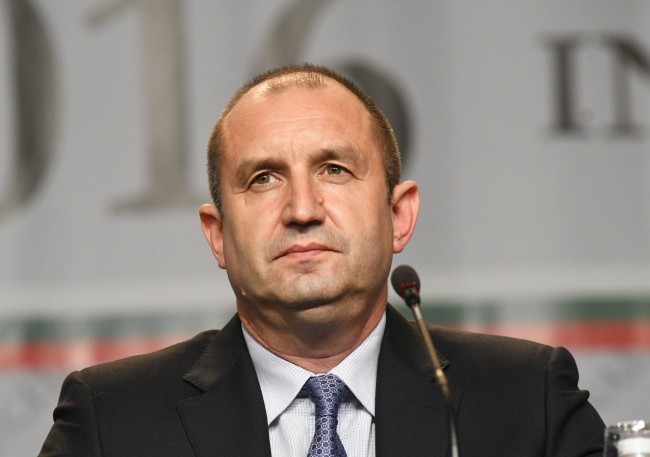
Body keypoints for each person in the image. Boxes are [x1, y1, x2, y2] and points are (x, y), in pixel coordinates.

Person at [39, 64, 605, 457]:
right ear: (218, 235)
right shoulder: (112, 418)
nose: (303, 210)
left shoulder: (527, 398)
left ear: (399, 215)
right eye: (264, 179)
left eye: (335, 170)